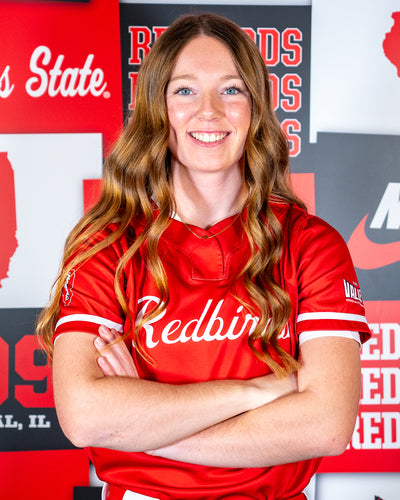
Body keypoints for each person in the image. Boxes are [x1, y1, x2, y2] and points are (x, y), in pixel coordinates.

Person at [36, 12, 371, 500]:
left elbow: (327, 425)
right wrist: (256, 391)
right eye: (185, 91)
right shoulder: (107, 245)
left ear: (255, 108)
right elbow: (85, 416)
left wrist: (143, 428)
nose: (209, 111)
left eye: (231, 90)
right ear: (157, 108)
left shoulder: (311, 245)